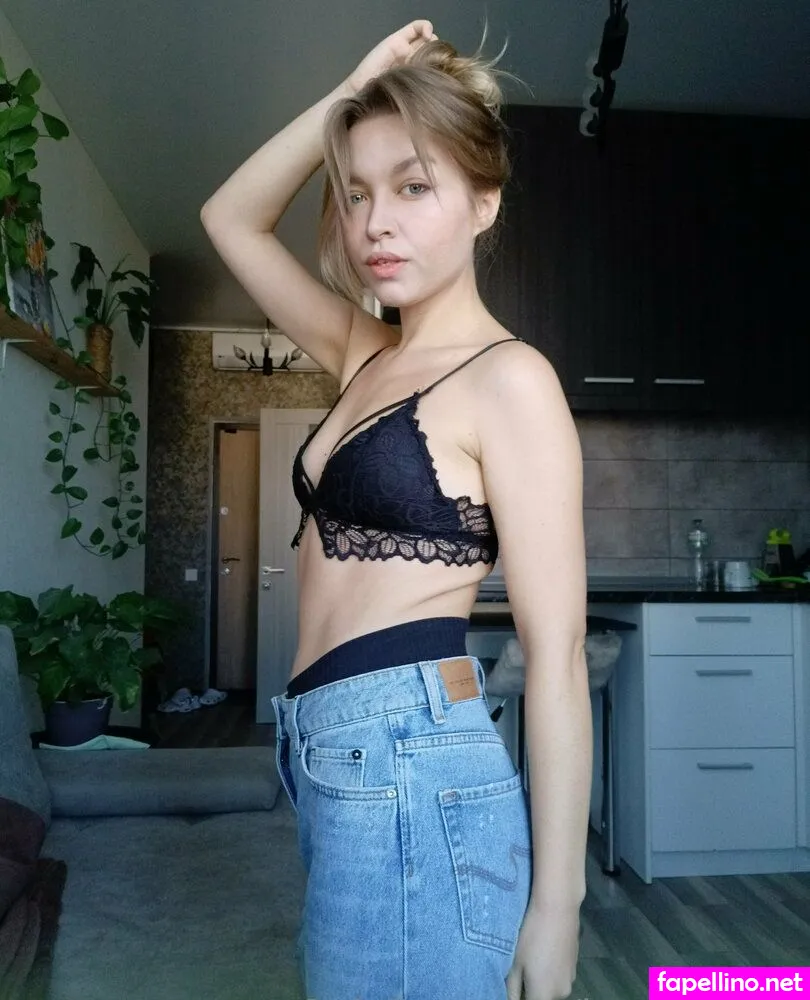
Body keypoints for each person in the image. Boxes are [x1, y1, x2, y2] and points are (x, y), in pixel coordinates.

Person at [201, 19, 591, 1000]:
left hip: (412, 758)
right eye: (358, 193)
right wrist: (352, 90)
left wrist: (558, 905)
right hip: (329, 753)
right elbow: (230, 218)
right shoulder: (363, 353)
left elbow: (557, 655)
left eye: (414, 187)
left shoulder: (510, 379)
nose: (377, 222)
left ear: (484, 203)